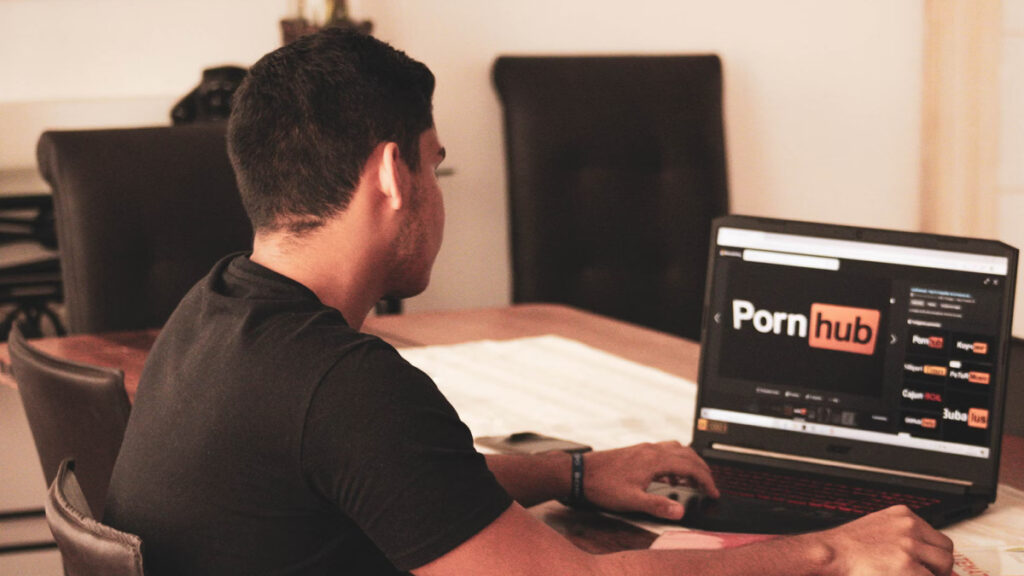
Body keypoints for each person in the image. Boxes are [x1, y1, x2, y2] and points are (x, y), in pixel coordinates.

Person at [104, 28, 955, 576]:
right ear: (394, 176)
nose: (437, 190)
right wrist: (833, 549)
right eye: (435, 163)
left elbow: (396, 481)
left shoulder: (212, 313)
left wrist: (571, 472)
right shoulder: (343, 386)